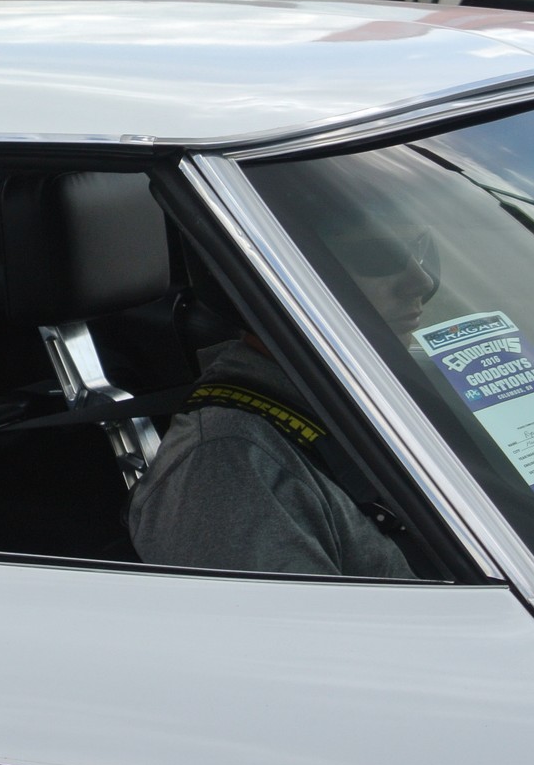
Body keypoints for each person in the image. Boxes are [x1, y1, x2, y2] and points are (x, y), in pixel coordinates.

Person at [128, 233, 434, 578]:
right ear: (274, 275)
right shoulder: (229, 470)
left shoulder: (392, 395)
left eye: (420, 247)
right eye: (376, 254)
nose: (422, 281)